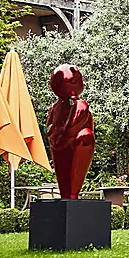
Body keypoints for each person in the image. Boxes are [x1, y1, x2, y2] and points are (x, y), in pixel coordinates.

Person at [47, 64, 96, 199]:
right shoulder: (55, 107)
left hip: (73, 143)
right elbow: (49, 127)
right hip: (59, 144)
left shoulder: (80, 105)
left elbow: (74, 124)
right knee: (62, 171)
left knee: (86, 136)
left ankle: (73, 193)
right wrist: (55, 135)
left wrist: (60, 135)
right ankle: (67, 195)